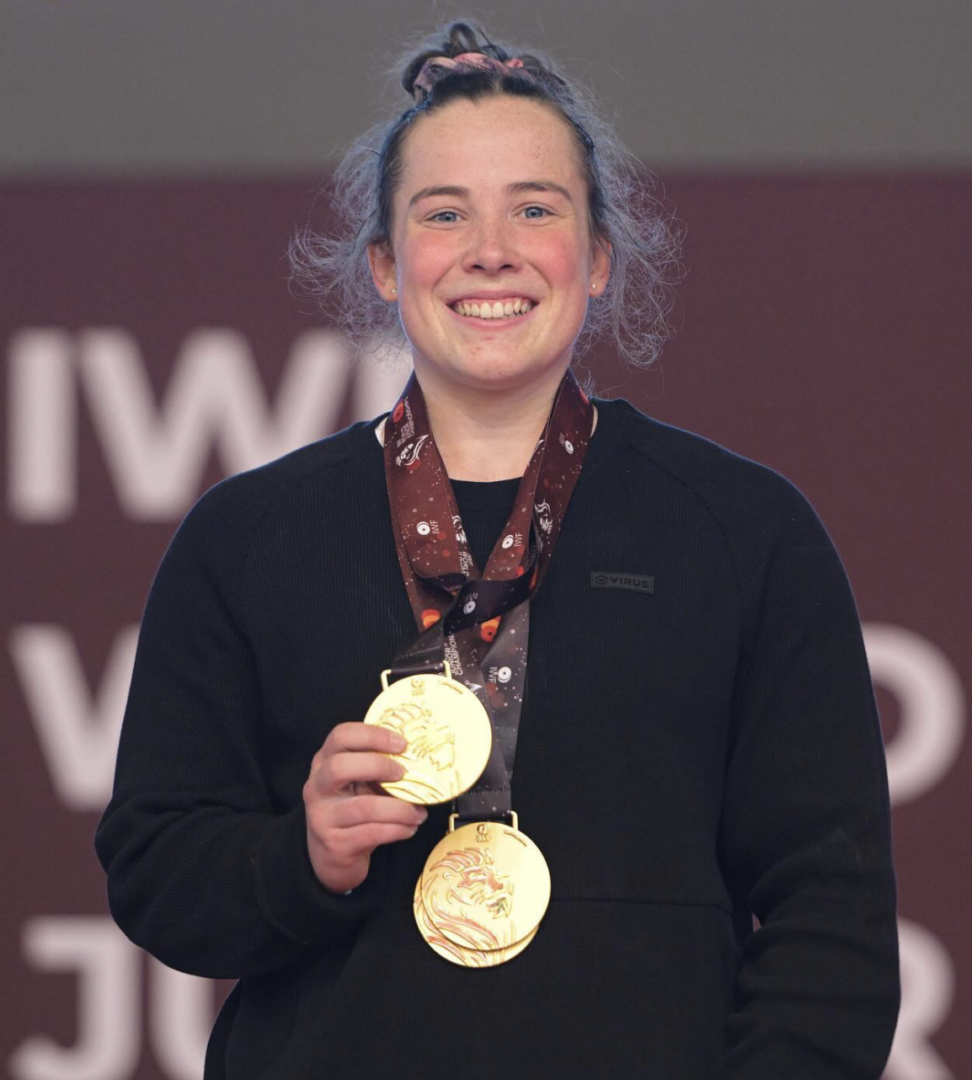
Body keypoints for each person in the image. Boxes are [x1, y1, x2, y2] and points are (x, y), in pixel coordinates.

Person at [95, 20, 900, 1079]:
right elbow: (158, 874)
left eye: (535, 207)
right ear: (385, 266)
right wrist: (300, 856)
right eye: (444, 214)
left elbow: (829, 917)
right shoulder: (247, 537)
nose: (492, 249)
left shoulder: (745, 533)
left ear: (599, 257)